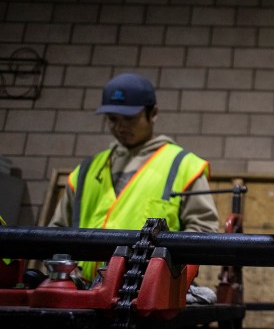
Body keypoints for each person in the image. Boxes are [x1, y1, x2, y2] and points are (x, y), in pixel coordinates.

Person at [49, 72, 220, 281]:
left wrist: (161, 275)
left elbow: (203, 231)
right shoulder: (86, 171)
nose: (120, 127)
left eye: (129, 118)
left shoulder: (183, 166)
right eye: (112, 119)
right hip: (81, 291)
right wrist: (63, 267)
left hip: (146, 296)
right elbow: (56, 232)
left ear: (153, 113)